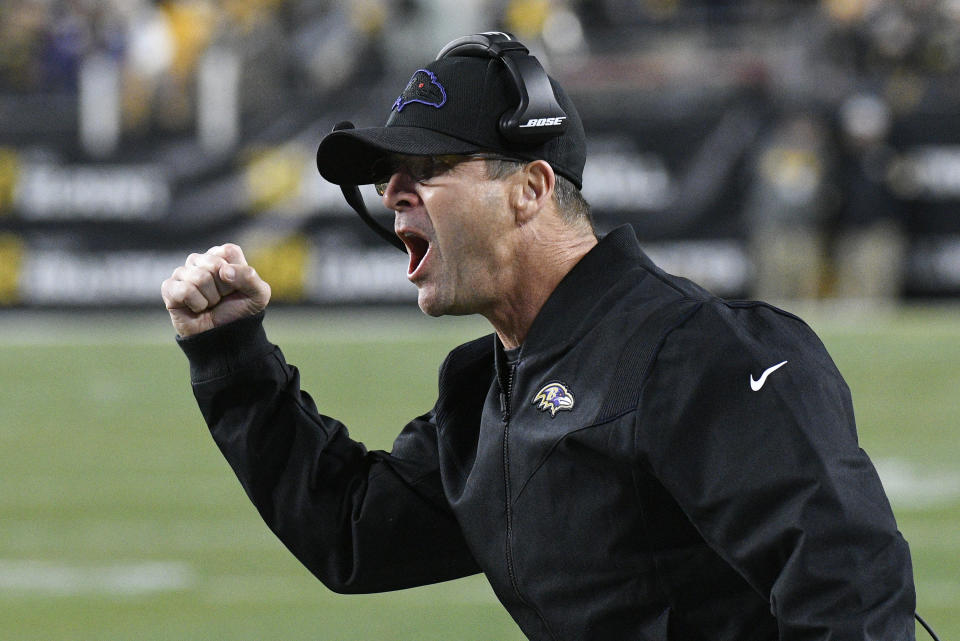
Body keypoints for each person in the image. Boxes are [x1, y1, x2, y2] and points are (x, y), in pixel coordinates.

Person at [161, 33, 916, 640]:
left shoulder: (702, 354)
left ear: (530, 190)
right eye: (392, 173)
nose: (393, 192)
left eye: (426, 165)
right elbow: (352, 531)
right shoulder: (486, 390)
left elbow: (850, 589)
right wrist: (232, 357)